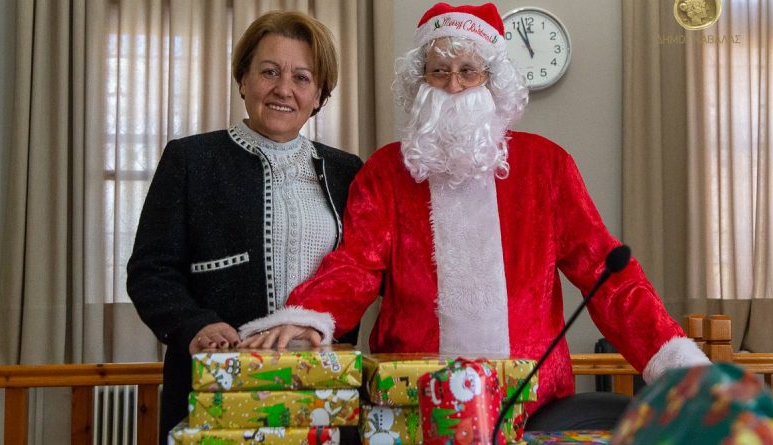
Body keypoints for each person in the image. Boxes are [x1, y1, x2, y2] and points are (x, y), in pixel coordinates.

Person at [238, 1, 712, 426]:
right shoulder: (387, 171)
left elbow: (606, 275)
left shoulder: (546, 165)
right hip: (412, 406)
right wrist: (309, 316)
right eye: (438, 71)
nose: (453, 86)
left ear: (493, 80)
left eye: (469, 71)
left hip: (531, 407)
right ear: (419, 82)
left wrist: (677, 364)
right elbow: (356, 265)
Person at [126, 10, 362, 441]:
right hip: (213, 389)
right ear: (243, 80)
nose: (283, 89)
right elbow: (150, 271)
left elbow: (362, 273)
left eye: (302, 78)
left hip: (322, 393)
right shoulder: (190, 160)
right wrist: (194, 324)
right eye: (269, 71)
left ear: (319, 95)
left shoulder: (347, 172)